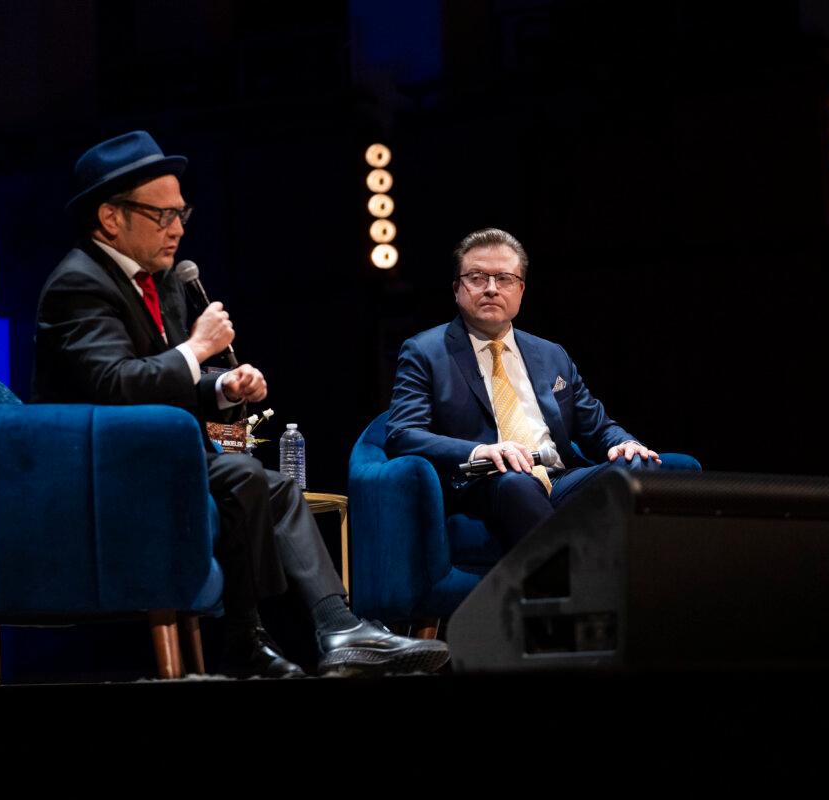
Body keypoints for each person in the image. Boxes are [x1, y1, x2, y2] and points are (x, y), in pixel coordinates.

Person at [34, 130, 448, 677]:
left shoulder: (159, 281)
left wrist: (220, 388)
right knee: (243, 477)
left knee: (276, 488)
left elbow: (164, 381)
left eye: (182, 213)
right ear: (111, 217)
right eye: (162, 215)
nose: (178, 228)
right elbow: (113, 385)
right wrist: (197, 349)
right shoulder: (78, 284)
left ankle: (337, 628)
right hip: (96, 468)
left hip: (155, 456)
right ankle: (244, 641)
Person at [385, 228, 660, 551]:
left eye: (504, 278)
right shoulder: (425, 351)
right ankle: (569, 574)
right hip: (490, 481)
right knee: (517, 484)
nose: (491, 288)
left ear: (521, 289)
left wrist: (625, 443)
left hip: (560, 479)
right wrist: (479, 451)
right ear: (457, 288)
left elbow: (598, 428)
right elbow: (402, 434)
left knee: (640, 466)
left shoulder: (551, 354)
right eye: (477, 278)